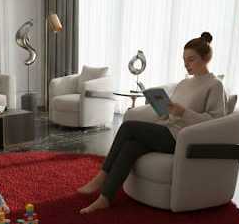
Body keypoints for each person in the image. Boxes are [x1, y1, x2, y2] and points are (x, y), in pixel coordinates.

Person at [78, 31, 227, 214]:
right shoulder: (184, 83)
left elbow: (215, 121)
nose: (186, 64)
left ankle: (102, 175)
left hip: (183, 138)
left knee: (128, 127)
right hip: (168, 130)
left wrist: (183, 112)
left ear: (206, 58)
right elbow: (171, 113)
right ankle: (105, 198)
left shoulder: (215, 85)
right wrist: (163, 110)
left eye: (191, 59)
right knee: (131, 147)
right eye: (184, 59)